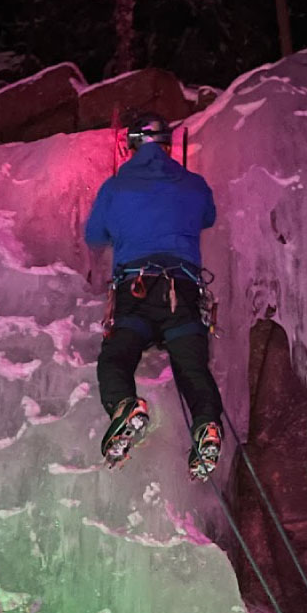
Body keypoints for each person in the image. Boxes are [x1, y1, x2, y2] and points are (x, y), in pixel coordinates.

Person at [84, 112, 223, 480]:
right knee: (192, 368)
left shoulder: (116, 187)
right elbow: (208, 216)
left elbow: (95, 235)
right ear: (167, 145)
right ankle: (207, 425)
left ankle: (125, 406)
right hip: (183, 293)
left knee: (117, 357)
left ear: (132, 146)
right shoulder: (194, 184)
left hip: (137, 291)